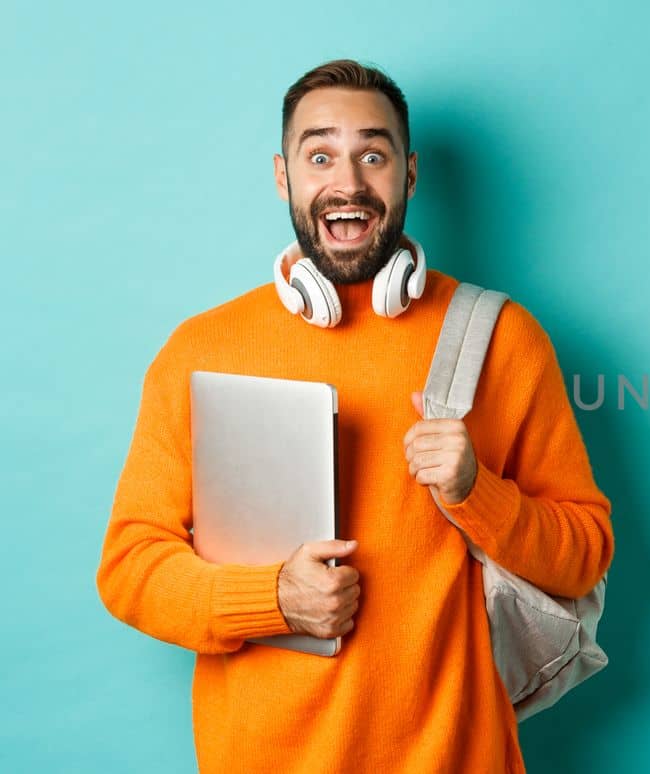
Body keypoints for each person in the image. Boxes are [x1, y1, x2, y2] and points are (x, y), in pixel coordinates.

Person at [95, 59, 614, 774]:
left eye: (373, 154)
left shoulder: (501, 338)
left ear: (409, 175)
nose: (348, 182)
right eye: (320, 155)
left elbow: (586, 551)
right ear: (284, 177)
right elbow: (130, 569)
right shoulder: (200, 350)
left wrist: (477, 492)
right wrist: (272, 597)